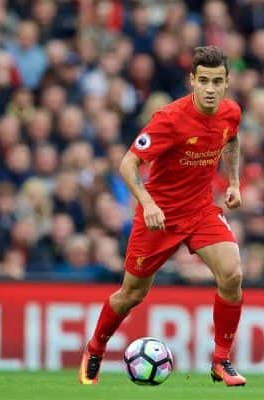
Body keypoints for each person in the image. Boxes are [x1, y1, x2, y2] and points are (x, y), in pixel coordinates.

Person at [79, 46, 246, 387]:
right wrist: (148, 202)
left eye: (217, 81)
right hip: (160, 215)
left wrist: (234, 182)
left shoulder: (231, 113)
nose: (210, 89)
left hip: (200, 209)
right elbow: (128, 164)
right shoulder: (170, 119)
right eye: (204, 81)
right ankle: (95, 348)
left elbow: (232, 140)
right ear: (192, 81)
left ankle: (221, 360)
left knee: (232, 274)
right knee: (132, 295)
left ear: (227, 82)